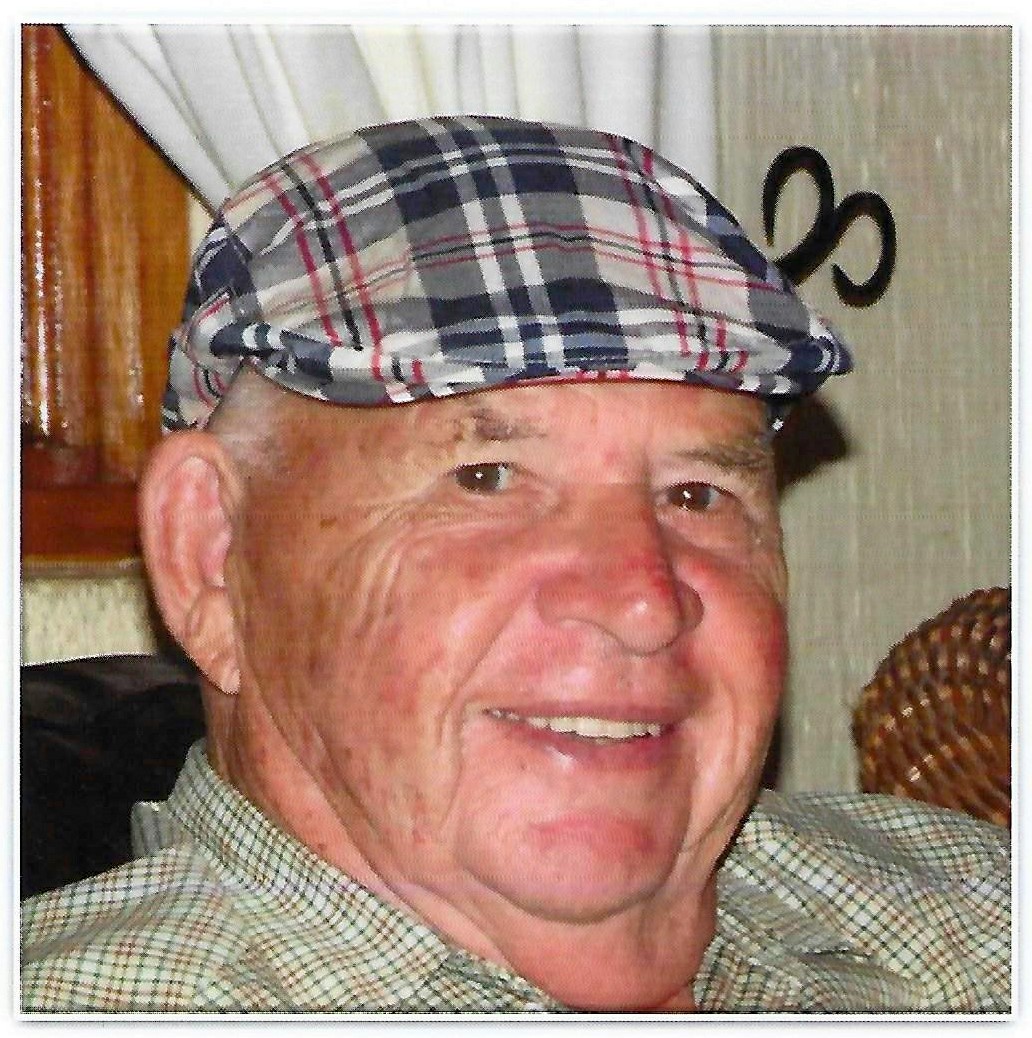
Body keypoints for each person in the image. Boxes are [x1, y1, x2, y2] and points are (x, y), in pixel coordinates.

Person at [20, 116, 1009, 1014]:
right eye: (486, 478)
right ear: (210, 556)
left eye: (698, 495)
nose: (644, 601)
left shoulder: (976, 916)